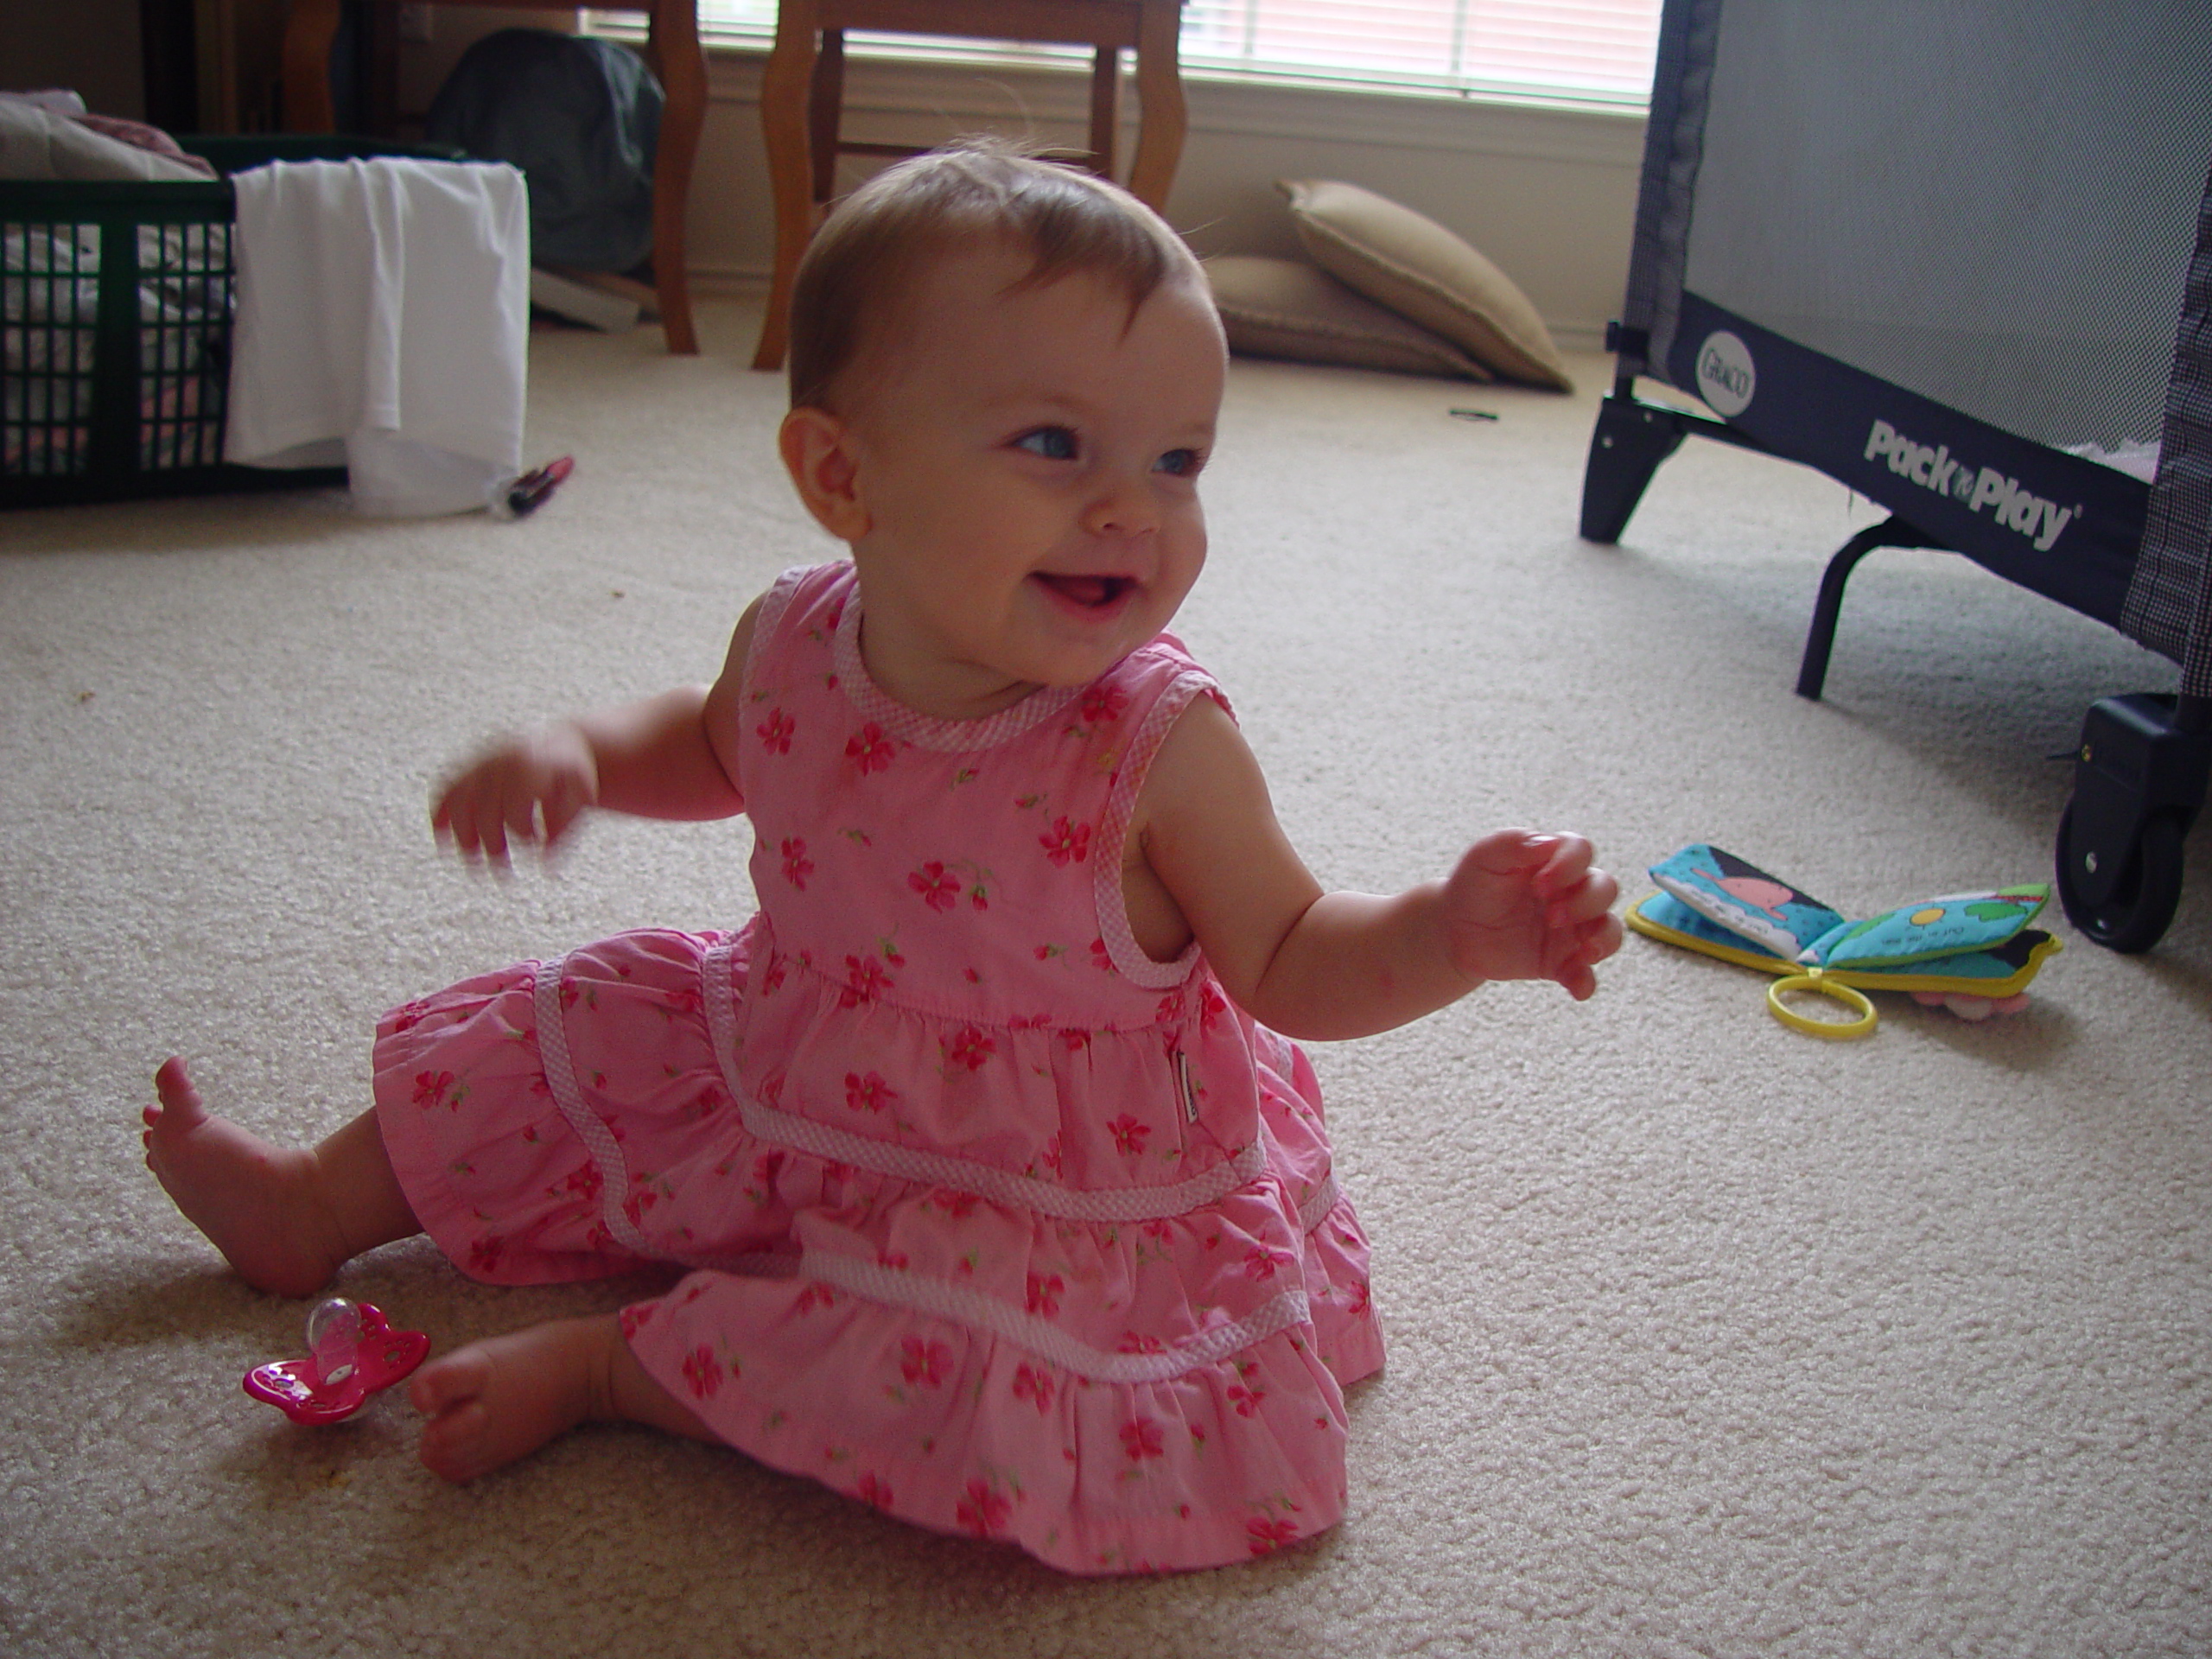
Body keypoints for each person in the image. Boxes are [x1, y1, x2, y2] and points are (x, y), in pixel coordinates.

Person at [142, 142, 1623, 1574]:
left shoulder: (1158, 747)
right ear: (842, 478)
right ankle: (308, 1206)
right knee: (561, 1032)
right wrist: (587, 756)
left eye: (1180, 461)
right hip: (785, 1046)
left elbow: (1295, 956)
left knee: (967, 1357)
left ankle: (622, 1374)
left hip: (1039, 1173)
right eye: (1057, 445)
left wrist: (1448, 932)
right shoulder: (795, 634)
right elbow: (719, 748)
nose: (1135, 509)